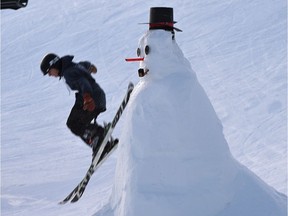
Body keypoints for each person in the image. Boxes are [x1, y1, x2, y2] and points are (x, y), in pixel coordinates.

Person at [40, 53, 107, 156]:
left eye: (49, 71)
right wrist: (90, 67)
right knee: (79, 124)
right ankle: (100, 141)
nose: (49, 75)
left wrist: (87, 98)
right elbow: (83, 65)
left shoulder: (68, 73)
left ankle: (99, 137)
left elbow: (83, 82)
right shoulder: (73, 66)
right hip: (97, 97)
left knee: (73, 123)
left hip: (92, 100)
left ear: (54, 65)